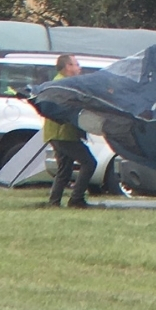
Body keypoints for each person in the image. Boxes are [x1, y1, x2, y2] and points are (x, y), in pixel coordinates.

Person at [44, 54, 99, 209]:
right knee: (89, 163)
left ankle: (54, 202)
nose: (79, 68)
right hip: (63, 134)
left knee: (65, 169)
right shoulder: (63, 85)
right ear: (67, 67)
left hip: (56, 133)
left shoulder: (59, 82)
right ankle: (76, 199)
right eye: (76, 64)